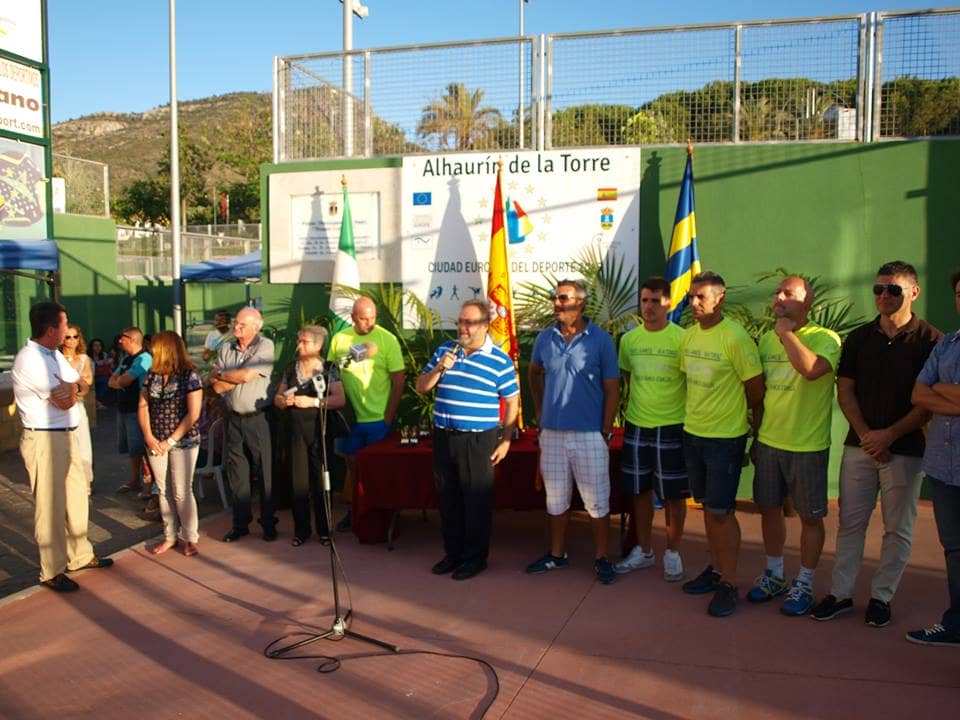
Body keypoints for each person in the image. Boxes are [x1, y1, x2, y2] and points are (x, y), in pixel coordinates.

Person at [812, 261, 942, 627]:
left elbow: (928, 401)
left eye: (894, 290)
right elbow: (845, 388)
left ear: (913, 293)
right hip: (860, 447)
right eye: (879, 289)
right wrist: (868, 435)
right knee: (850, 524)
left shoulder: (932, 341)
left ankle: (882, 598)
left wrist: (890, 435)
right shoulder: (859, 338)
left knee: (897, 528)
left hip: (906, 449)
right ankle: (840, 594)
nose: (884, 296)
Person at [746, 276, 841, 616]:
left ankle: (804, 582)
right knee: (769, 508)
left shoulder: (825, 339)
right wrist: (756, 436)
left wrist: (786, 334)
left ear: (808, 303)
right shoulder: (765, 342)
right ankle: (774, 575)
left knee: (810, 518)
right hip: (769, 442)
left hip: (807, 445)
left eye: (788, 293)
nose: (779, 298)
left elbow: (812, 370)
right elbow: (760, 396)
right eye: (777, 292)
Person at [679, 271, 765, 618]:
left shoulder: (736, 338)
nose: (694, 303)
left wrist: (752, 434)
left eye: (701, 297)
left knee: (721, 512)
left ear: (720, 298)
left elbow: (756, 390)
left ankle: (729, 583)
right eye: (691, 297)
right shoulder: (687, 338)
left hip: (725, 439)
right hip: (693, 434)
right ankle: (715, 570)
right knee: (707, 508)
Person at [12, 302, 113, 592]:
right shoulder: (29, 359)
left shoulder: (53, 354)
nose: (69, 330)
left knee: (76, 496)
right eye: (64, 324)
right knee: (50, 504)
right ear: (50, 328)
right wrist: (73, 389)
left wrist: (73, 388)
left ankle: (79, 555)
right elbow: (66, 398)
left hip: (65, 433)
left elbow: (81, 385)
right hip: (44, 437)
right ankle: (51, 570)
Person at [416, 300, 519, 580]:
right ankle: (453, 554)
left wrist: (506, 440)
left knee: (476, 501)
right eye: (460, 321)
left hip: (478, 440)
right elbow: (421, 387)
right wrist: (439, 368)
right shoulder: (444, 351)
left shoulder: (500, 360)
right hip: (443, 436)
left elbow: (511, 401)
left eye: (469, 322)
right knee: (448, 499)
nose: (462, 327)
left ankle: (475, 559)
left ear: (485, 326)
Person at [526, 279, 621, 585]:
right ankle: (557, 555)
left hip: (589, 433)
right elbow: (533, 372)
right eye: (555, 298)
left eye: (563, 298)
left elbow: (612, 388)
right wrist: (540, 411)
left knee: (597, 500)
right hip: (552, 433)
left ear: (579, 304)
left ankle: (602, 558)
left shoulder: (600, 340)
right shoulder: (545, 338)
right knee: (555, 499)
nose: (557, 303)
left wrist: (605, 429)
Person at [615, 276, 689, 581]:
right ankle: (644, 551)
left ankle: (672, 552)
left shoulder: (683, 339)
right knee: (640, 491)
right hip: (637, 426)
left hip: (672, 427)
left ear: (668, 303)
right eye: (644, 300)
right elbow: (629, 379)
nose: (649, 307)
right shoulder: (630, 340)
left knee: (674, 495)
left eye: (655, 300)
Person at [906, 270, 960, 647]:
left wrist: (938, 390)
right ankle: (956, 624)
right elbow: (918, 394)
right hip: (944, 467)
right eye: (959, 293)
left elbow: (930, 391)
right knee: (954, 551)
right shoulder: (948, 343)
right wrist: (947, 391)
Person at [327, 296, 405, 531]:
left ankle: (383, 514)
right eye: (363, 319)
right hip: (349, 418)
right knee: (352, 466)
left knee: (377, 470)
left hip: (377, 419)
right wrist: (359, 352)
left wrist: (387, 418)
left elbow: (399, 380)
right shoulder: (339, 338)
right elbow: (330, 370)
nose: (368, 323)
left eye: (372, 318)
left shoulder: (387, 339)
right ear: (352, 318)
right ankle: (356, 511)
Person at [274, 325, 346, 546]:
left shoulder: (328, 369)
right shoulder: (290, 368)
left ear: (318, 345)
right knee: (299, 483)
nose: (299, 345)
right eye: (299, 340)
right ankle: (301, 530)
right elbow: (277, 396)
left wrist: (313, 402)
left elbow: (339, 399)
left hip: (319, 434)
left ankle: (325, 531)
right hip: (295, 434)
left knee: (320, 482)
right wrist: (282, 401)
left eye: (304, 341)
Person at [210, 307, 278, 542]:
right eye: (235, 324)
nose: (235, 327)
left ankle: (268, 523)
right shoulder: (227, 347)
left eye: (241, 324)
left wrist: (225, 374)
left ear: (255, 327)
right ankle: (240, 524)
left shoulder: (265, 346)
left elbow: (247, 376)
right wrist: (231, 376)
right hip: (234, 418)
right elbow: (216, 386)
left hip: (259, 418)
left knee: (264, 472)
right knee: (237, 474)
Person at [137, 331, 204, 557]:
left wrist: (171, 440)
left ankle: (191, 537)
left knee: (181, 491)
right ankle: (169, 535)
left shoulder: (190, 375)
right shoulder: (152, 375)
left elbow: (193, 413)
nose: (151, 350)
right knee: (164, 490)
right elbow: (143, 405)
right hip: (155, 441)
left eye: (154, 347)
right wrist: (148, 436)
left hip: (184, 441)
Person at [109, 327, 153, 495]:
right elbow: (112, 380)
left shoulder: (144, 358)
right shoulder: (127, 359)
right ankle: (135, 480)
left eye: (123, 338)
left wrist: (119, 381)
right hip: (124, 408)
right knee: (132, 449)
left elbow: (124, 381)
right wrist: (118, 381)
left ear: (132, 339)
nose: (120, 341)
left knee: (141, 447)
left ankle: (149, 484)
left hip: (137, 409)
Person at [60, 324, 95, 495]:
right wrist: (78, 382)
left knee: (83, 443)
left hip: (78, 406)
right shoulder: (56, 357)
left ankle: (85, 482)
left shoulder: (83, 358)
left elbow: (88, 381)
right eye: (68, 337)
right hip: (60, 408)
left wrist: (76, 383)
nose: (72, 340)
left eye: (75, 336)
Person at [89, 337, 114, 408]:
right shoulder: (87, 355)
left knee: (105, 380)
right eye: (95, 345)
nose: (97, 347)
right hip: (90, 377)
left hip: (101, 376)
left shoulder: (104, 355)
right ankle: (97, 402)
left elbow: (109, 366)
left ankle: (97, 401)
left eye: (99, 345)